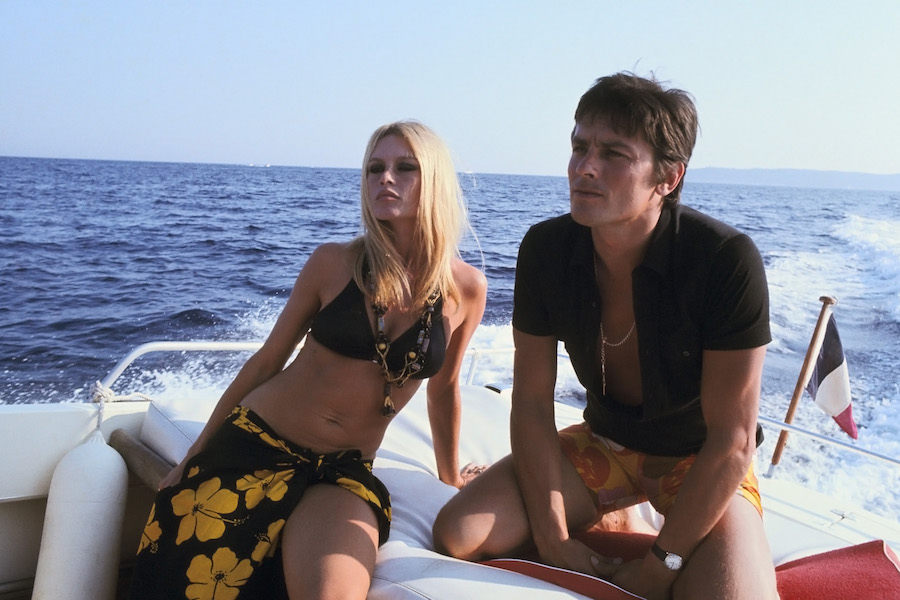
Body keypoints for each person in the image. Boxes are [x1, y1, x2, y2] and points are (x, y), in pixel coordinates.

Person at [432, 73, 779, 600]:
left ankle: (640, 522)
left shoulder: (724, 262)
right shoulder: (547, 249)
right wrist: (552, 538)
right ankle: (614, 512)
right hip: (605, 445)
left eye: (613, 153)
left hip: (696, 459)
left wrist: (660, 567)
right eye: (579, 147)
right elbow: (529, 403)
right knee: (459, 534)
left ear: (667, 178)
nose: (584, 167)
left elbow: (731, 443)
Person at [128, 120, 487, 600]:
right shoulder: (334, 264)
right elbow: (267, 361)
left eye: (406, 167)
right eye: (374, 168)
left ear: (437, 182)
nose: (385, 178)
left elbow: (444, 389)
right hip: (255, 443)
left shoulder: (466, 289)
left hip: (342, 472)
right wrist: (195, 454)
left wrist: (450, 477)